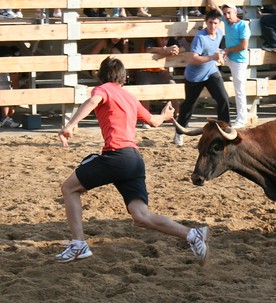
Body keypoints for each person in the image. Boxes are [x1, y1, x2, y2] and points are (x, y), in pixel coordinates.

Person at [56, 57, 209, 265]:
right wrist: (165, 116)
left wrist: (71, 124)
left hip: (116, 156)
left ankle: (78, 244)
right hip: (134, 160)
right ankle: (192, 235)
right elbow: (154, 122)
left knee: (69, 189)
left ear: (101, 76)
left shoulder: (103, 90)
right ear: (124, 78)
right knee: (141, 216)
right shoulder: (129, 97)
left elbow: (93, 101)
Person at [173, 9, 230, 146]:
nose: (213, 26)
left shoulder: (220, 34)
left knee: (223, 99)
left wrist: (221, 56)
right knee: (189, 104)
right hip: (194, 76)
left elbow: (217, 50)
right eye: (210, 23)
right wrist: (212, 57)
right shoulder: (200, 37)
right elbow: (193, 58)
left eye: (216, 23)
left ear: (219, 23)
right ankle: (179, 132)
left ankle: (225, 130)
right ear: (206, 23)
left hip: (211, 72)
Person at [208, 1, 251, 128]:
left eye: (229, 13)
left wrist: (227, 50)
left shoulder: (243, 25)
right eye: (225, 13)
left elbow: (244, 46)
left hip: (239, 60)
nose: (226, 16)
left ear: (235, 12)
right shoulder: (227, 22)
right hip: (228, 55)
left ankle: (242, 119)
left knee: (240, 90)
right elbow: (214, 6)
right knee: (209, 58)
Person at [134, 36, 180, 125]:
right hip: (145, 71)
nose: (163, 41)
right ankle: (146, 119)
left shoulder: (172, 41)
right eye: (161, 39)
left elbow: (182, 48)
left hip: (161, 71)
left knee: (172, 85)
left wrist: (175, 49)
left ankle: (176, 116)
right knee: (145, 88)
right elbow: (149, 49)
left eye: (166, 39)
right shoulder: (149, 40)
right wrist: (165, 50)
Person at [0, 45, 21, 128]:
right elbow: (15, 81)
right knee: (5, 90)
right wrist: (13, 103)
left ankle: (4, 118)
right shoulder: (10, 62)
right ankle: (4, 119)